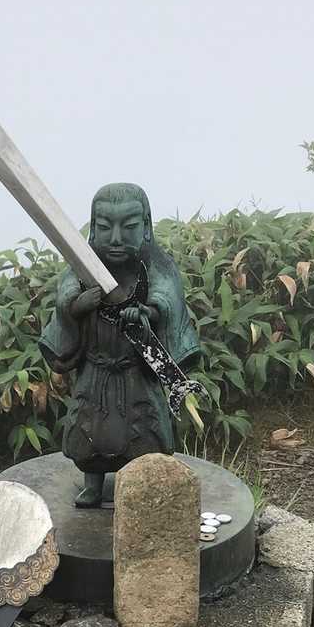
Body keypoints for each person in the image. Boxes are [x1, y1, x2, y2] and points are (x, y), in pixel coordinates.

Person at [40, 183, 200, 507]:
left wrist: (148, 312)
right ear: (93, 228)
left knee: (143, 433)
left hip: (135, 373)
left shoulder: (156, 268)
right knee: (89, 431)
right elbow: (65, 297)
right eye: (104, 226)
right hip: (95, 371)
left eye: (128, 227)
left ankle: (142, 485)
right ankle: (93, 485)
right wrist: (77, 305)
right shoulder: (81, 270)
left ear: (145, 227)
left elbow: (166, 297)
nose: (115, 238)